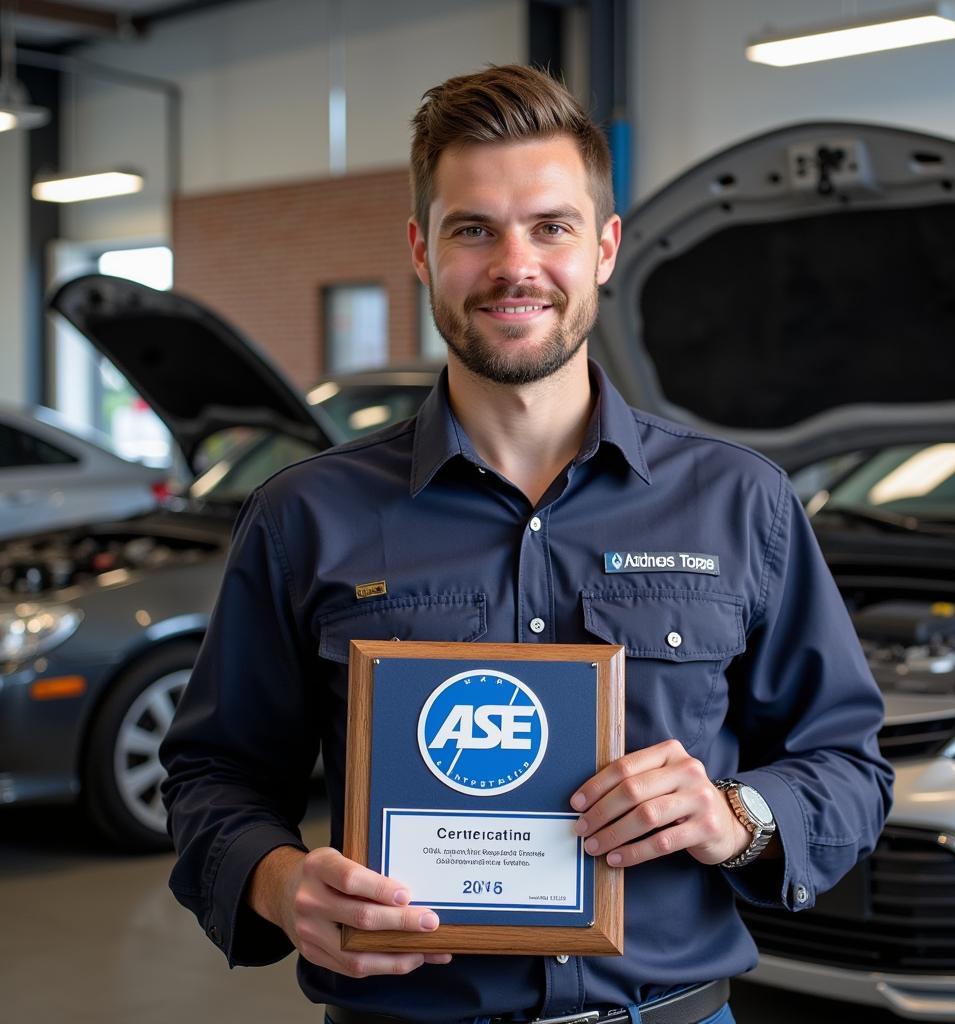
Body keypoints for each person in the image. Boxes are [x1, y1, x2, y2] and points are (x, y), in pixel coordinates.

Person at [161, 64, 893, 1024]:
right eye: (474, 229)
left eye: (552, 225)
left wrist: (736, 817)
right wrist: (273, 880)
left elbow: (848, 766)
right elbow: (212, 776)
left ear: (604, 248)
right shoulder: (307, 516)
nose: (516, 265)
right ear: (422, 251)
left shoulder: (739, 503)